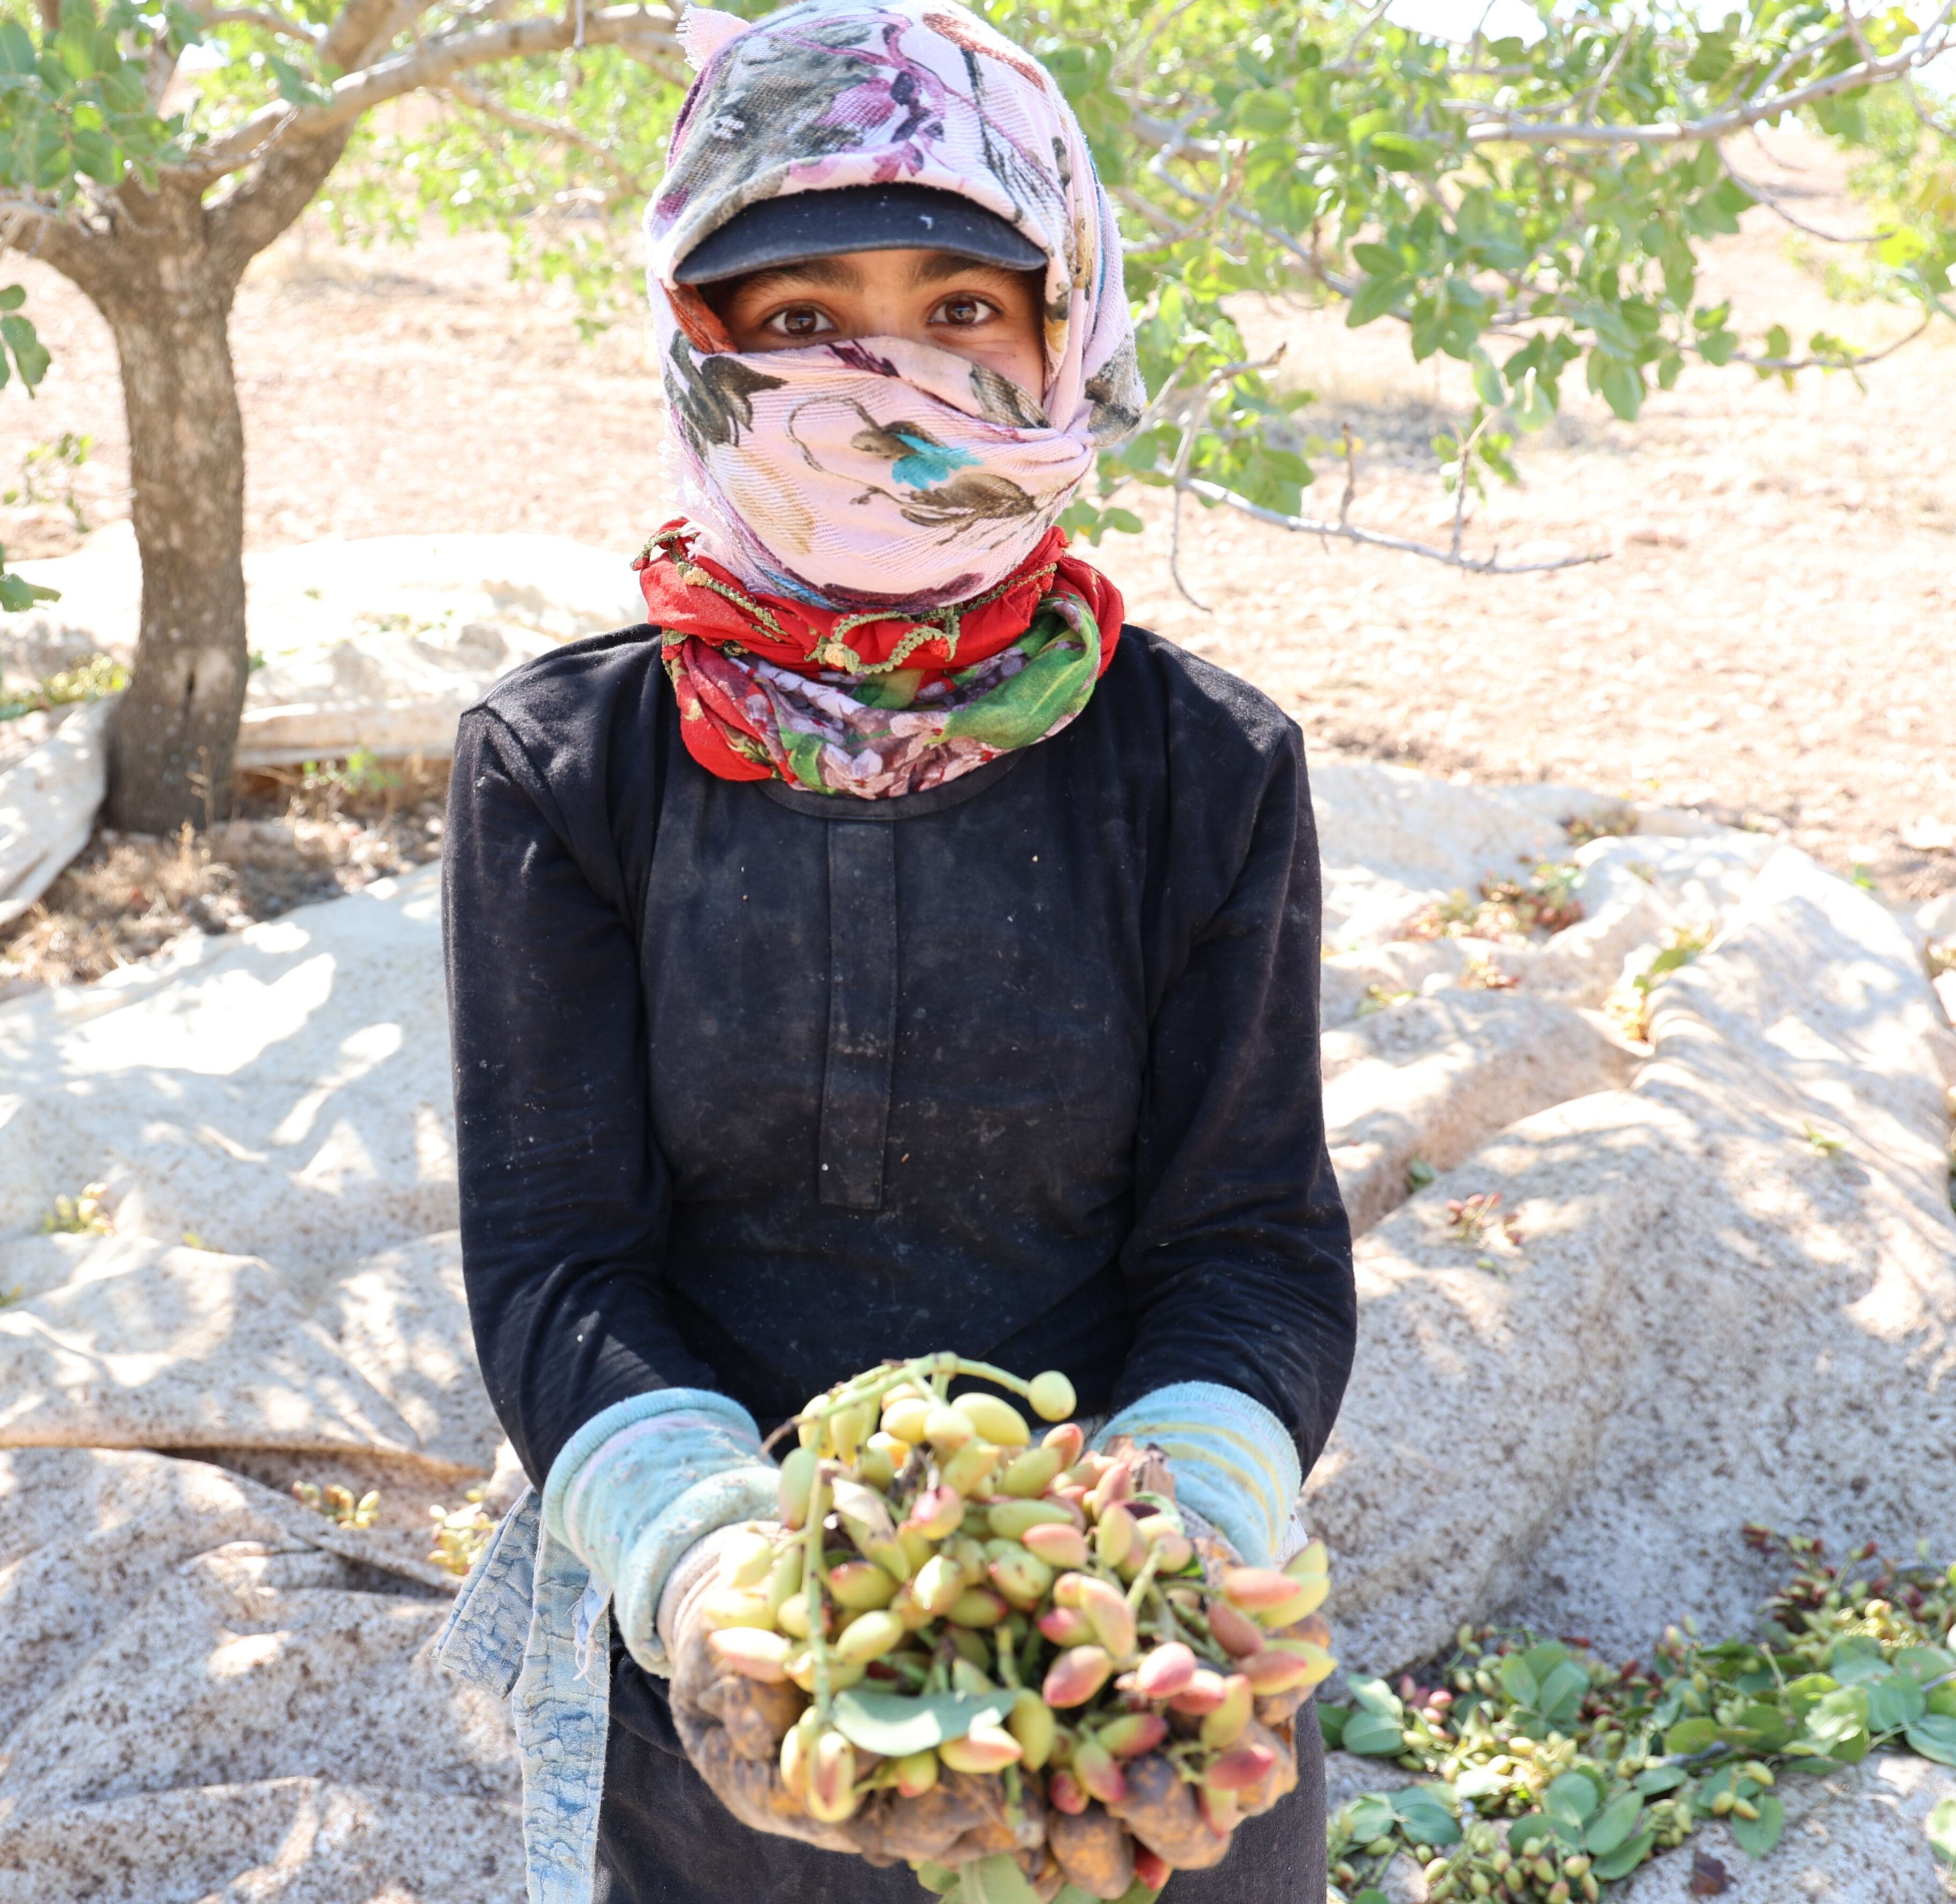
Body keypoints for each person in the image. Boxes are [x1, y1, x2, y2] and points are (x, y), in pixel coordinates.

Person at [437, 5, 1355, 1899]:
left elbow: (1246, 1248)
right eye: (794, 323)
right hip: (736, 1688)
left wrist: (1147, 1555)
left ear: (1064, 331)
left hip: (1125, 1689)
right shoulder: (567, 767)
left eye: (959, 310)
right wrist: (712, 1572)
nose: (880, 385)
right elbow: (560, 1259)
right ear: (694, 349)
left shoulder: (1203, 768)